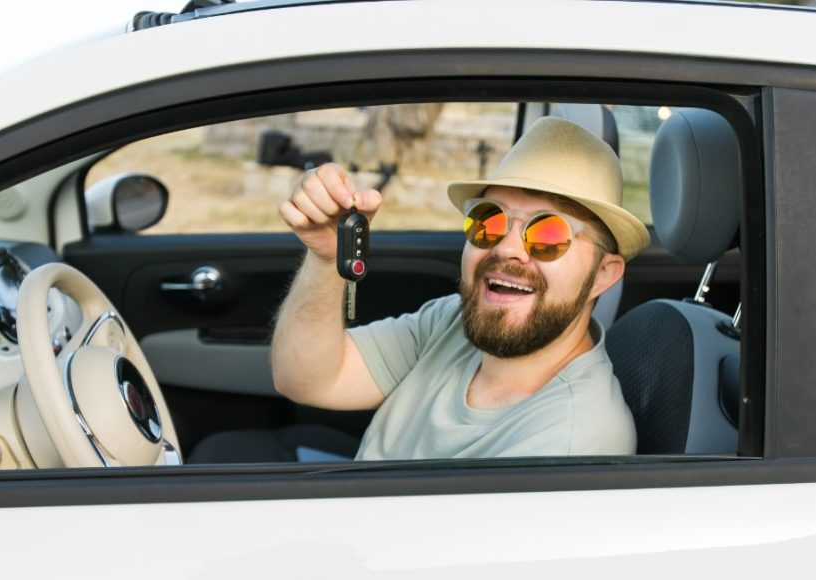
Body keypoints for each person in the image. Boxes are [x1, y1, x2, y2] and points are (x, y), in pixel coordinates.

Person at [271, 117, 651, 460]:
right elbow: (307, 379)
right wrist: (327, 258)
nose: (506, 248)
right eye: (489, 220)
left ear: (604, 274)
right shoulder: (450, 322)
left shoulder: (572, 441)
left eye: (548, 234)